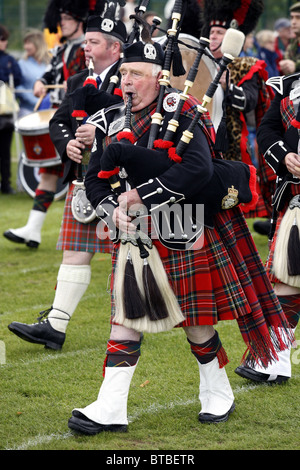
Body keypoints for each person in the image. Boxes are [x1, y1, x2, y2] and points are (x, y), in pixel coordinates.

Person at [67, 38, 292, 436]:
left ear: (158, 76)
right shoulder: (116, 119)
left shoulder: (182, 109)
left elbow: (198, 171)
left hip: (181, 226)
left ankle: (217, 389)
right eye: (123, 74)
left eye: (136, 74)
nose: (128, 82)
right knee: (126, 319)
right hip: (135, 235)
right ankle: (111, 405)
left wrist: (139, 195)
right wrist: (112, 210)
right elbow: (94, 178)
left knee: (195, 321)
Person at [7, 11, 127, 351]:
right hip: (87, 180)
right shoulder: (77, 81)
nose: (85, 47)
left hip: (123, 181)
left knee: (134, 256)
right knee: (76, 252)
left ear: (115, 48)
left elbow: (139, 116)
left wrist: (101, 129)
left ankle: (134, 322)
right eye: (86, 41)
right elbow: (60, 121)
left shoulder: (134, 75)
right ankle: (55, 326)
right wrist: (69, 143)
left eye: (93, 42)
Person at [3, 0, 97, 248]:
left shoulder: (86, 49)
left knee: (86, 177)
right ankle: (33, 230)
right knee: (48, 175)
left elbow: (93, 78)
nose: (61, 23)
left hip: (81, 120)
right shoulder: (62, 49)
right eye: (61, 18)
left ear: (79, 19)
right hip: (60, 118)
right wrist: (40, 83)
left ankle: (105, 230)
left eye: (66, 19)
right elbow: (49, 74)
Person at [235, 70, 300, 384]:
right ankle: (274, 359)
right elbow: (268, 129)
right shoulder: (290, 85)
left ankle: (273, 359)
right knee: (287, 274)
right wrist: (284, 155)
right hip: (294, 195)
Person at [202, 0, 274, 223]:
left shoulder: (246, 65)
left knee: (229, 205)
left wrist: (228, 87)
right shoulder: (196, 64)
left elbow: (249, 102)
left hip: (230, 145)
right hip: (198, 137)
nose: (213, 36)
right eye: (211, 32)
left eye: (219, 33)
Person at [0, 24, 22, 194]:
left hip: (4, 110)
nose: (3, 43)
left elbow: (18, 77)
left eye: (4, 40)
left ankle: (6, 183)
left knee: (5, 150)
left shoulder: (9, 60)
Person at [16, 29, 51, 118]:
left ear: (38, 44)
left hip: (48, 109)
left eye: (28, 43)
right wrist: (35, 101)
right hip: (28, 110)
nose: (25, 47)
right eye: (25, 43)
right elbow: (18, 87)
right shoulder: (21, 64)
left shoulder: (49, 64)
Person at [279, 3, 300, 76]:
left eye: (298, 17)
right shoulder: (291, 46)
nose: (293, 22)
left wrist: (296, 66)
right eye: (292, 17)